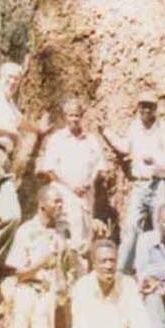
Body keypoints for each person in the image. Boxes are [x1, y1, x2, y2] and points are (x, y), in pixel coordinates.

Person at [0, 61, 51, 274]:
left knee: (12, 215)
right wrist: (10, 132)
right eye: (9, 77)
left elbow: (22, 121)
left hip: (5, 160)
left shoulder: (8, 103)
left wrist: (38, 130)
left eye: (17, 79)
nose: (13, 82)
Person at [0, 185, 68, 328]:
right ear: (42, 205)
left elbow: (65, 268)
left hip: (49, 292)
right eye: (56, 202)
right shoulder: (26, 231)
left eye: (61, 202)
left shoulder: (60, 233)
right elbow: (18, 273)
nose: (60, 206)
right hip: (26, 287)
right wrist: (41, 262)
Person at [100, 91, 165, 273]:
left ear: (155, 108)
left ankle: (164, 271)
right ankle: (122, 271)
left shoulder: (164, 128)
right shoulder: (135, 127)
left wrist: (155, 160)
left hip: (159, 184)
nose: (146, 110)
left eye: (149, 106)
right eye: (142, 106)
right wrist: (106, 132)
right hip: (140, 185)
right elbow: (125, 147)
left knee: (161, 228)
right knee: (131, 227)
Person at [37, 98, 108, 272]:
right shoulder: (57, 139)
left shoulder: (91, 140)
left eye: (77, 115)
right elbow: (50, 169)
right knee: (65, 237)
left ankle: (81, 276)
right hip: (64, 196)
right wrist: (71, 187)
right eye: (70, 115)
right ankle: (63, 274)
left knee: (84, 237)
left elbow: (99, 167)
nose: (74, 119)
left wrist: (88, 183)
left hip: (85, 197)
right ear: (65, 117)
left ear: (82, 116)